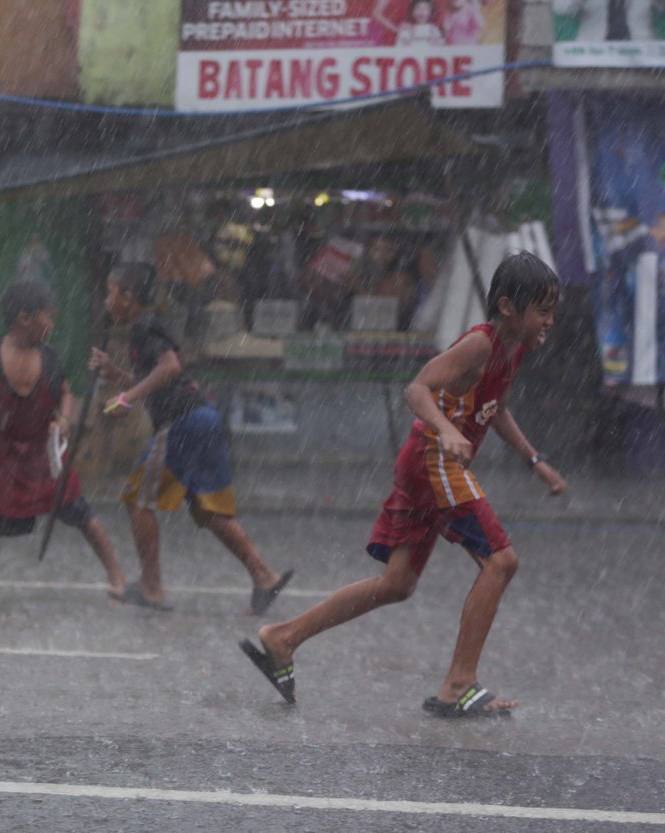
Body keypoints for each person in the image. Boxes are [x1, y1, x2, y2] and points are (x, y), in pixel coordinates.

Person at [240, 251, 568, 718]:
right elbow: (416, 388)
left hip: (423, 461)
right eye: (543, 309)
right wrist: (448, 429)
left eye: (553, 310)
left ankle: (283, 637)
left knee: (397, 583)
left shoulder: (510, 351)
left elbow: (497, 408)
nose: (550, 320)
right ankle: (459, 684)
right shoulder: (480, 344)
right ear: (509, 308)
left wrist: (534, 460)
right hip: (434, 459)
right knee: (501, 562)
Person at [90, 263, 293, 615]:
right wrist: (118, 376)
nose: (108, 302)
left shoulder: (144, 325)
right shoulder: (147, 327)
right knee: (208, 509)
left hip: (182, 424)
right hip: (204, 419)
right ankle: (264, 576)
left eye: (111, 293)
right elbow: (160, 380)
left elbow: (169, 368)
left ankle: (152, 588)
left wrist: (127, 397)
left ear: (129, 296)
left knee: (138, 500)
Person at [0, 278, 126, 607]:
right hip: (5, 455)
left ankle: (117, 577)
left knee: (82, 513)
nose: (51, 324)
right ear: (25, 319)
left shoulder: (49, 357)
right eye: (47, 317)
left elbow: (66, 392)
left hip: (44, 456)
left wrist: (64, 420)